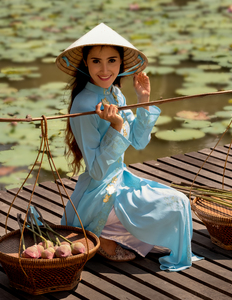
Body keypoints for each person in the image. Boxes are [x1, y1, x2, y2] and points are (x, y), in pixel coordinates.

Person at [56, 23, 202, 271]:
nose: (105, 70)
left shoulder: (115, 94)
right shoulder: (83, 105)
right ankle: (100, 234)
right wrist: (116, 125)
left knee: (179, 203)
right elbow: (98, 171)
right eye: (96, 62)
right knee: (176, 204)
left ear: (121, 64)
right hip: (100, 195)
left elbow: (139, 140)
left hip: (121, 181)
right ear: (86, 64)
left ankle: (114, 236)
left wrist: (143, 100)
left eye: (112, 61)